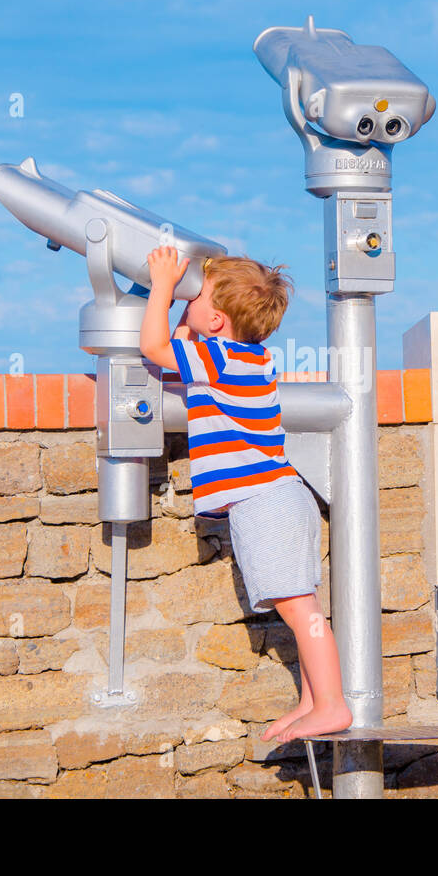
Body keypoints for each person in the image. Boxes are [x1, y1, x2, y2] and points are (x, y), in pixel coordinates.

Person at [139, 246, 352, 744]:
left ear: (216, 321)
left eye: (197, 296)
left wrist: (162, 287)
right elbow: (179, 342)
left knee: (302, 612)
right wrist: (187, 313)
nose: (187, 301)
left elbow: (154, 348)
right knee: (300, 608)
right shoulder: (245, 358)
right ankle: (313, 699)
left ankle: (334, 706)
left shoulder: (216, 357)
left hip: (265, 501)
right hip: (279, 494)